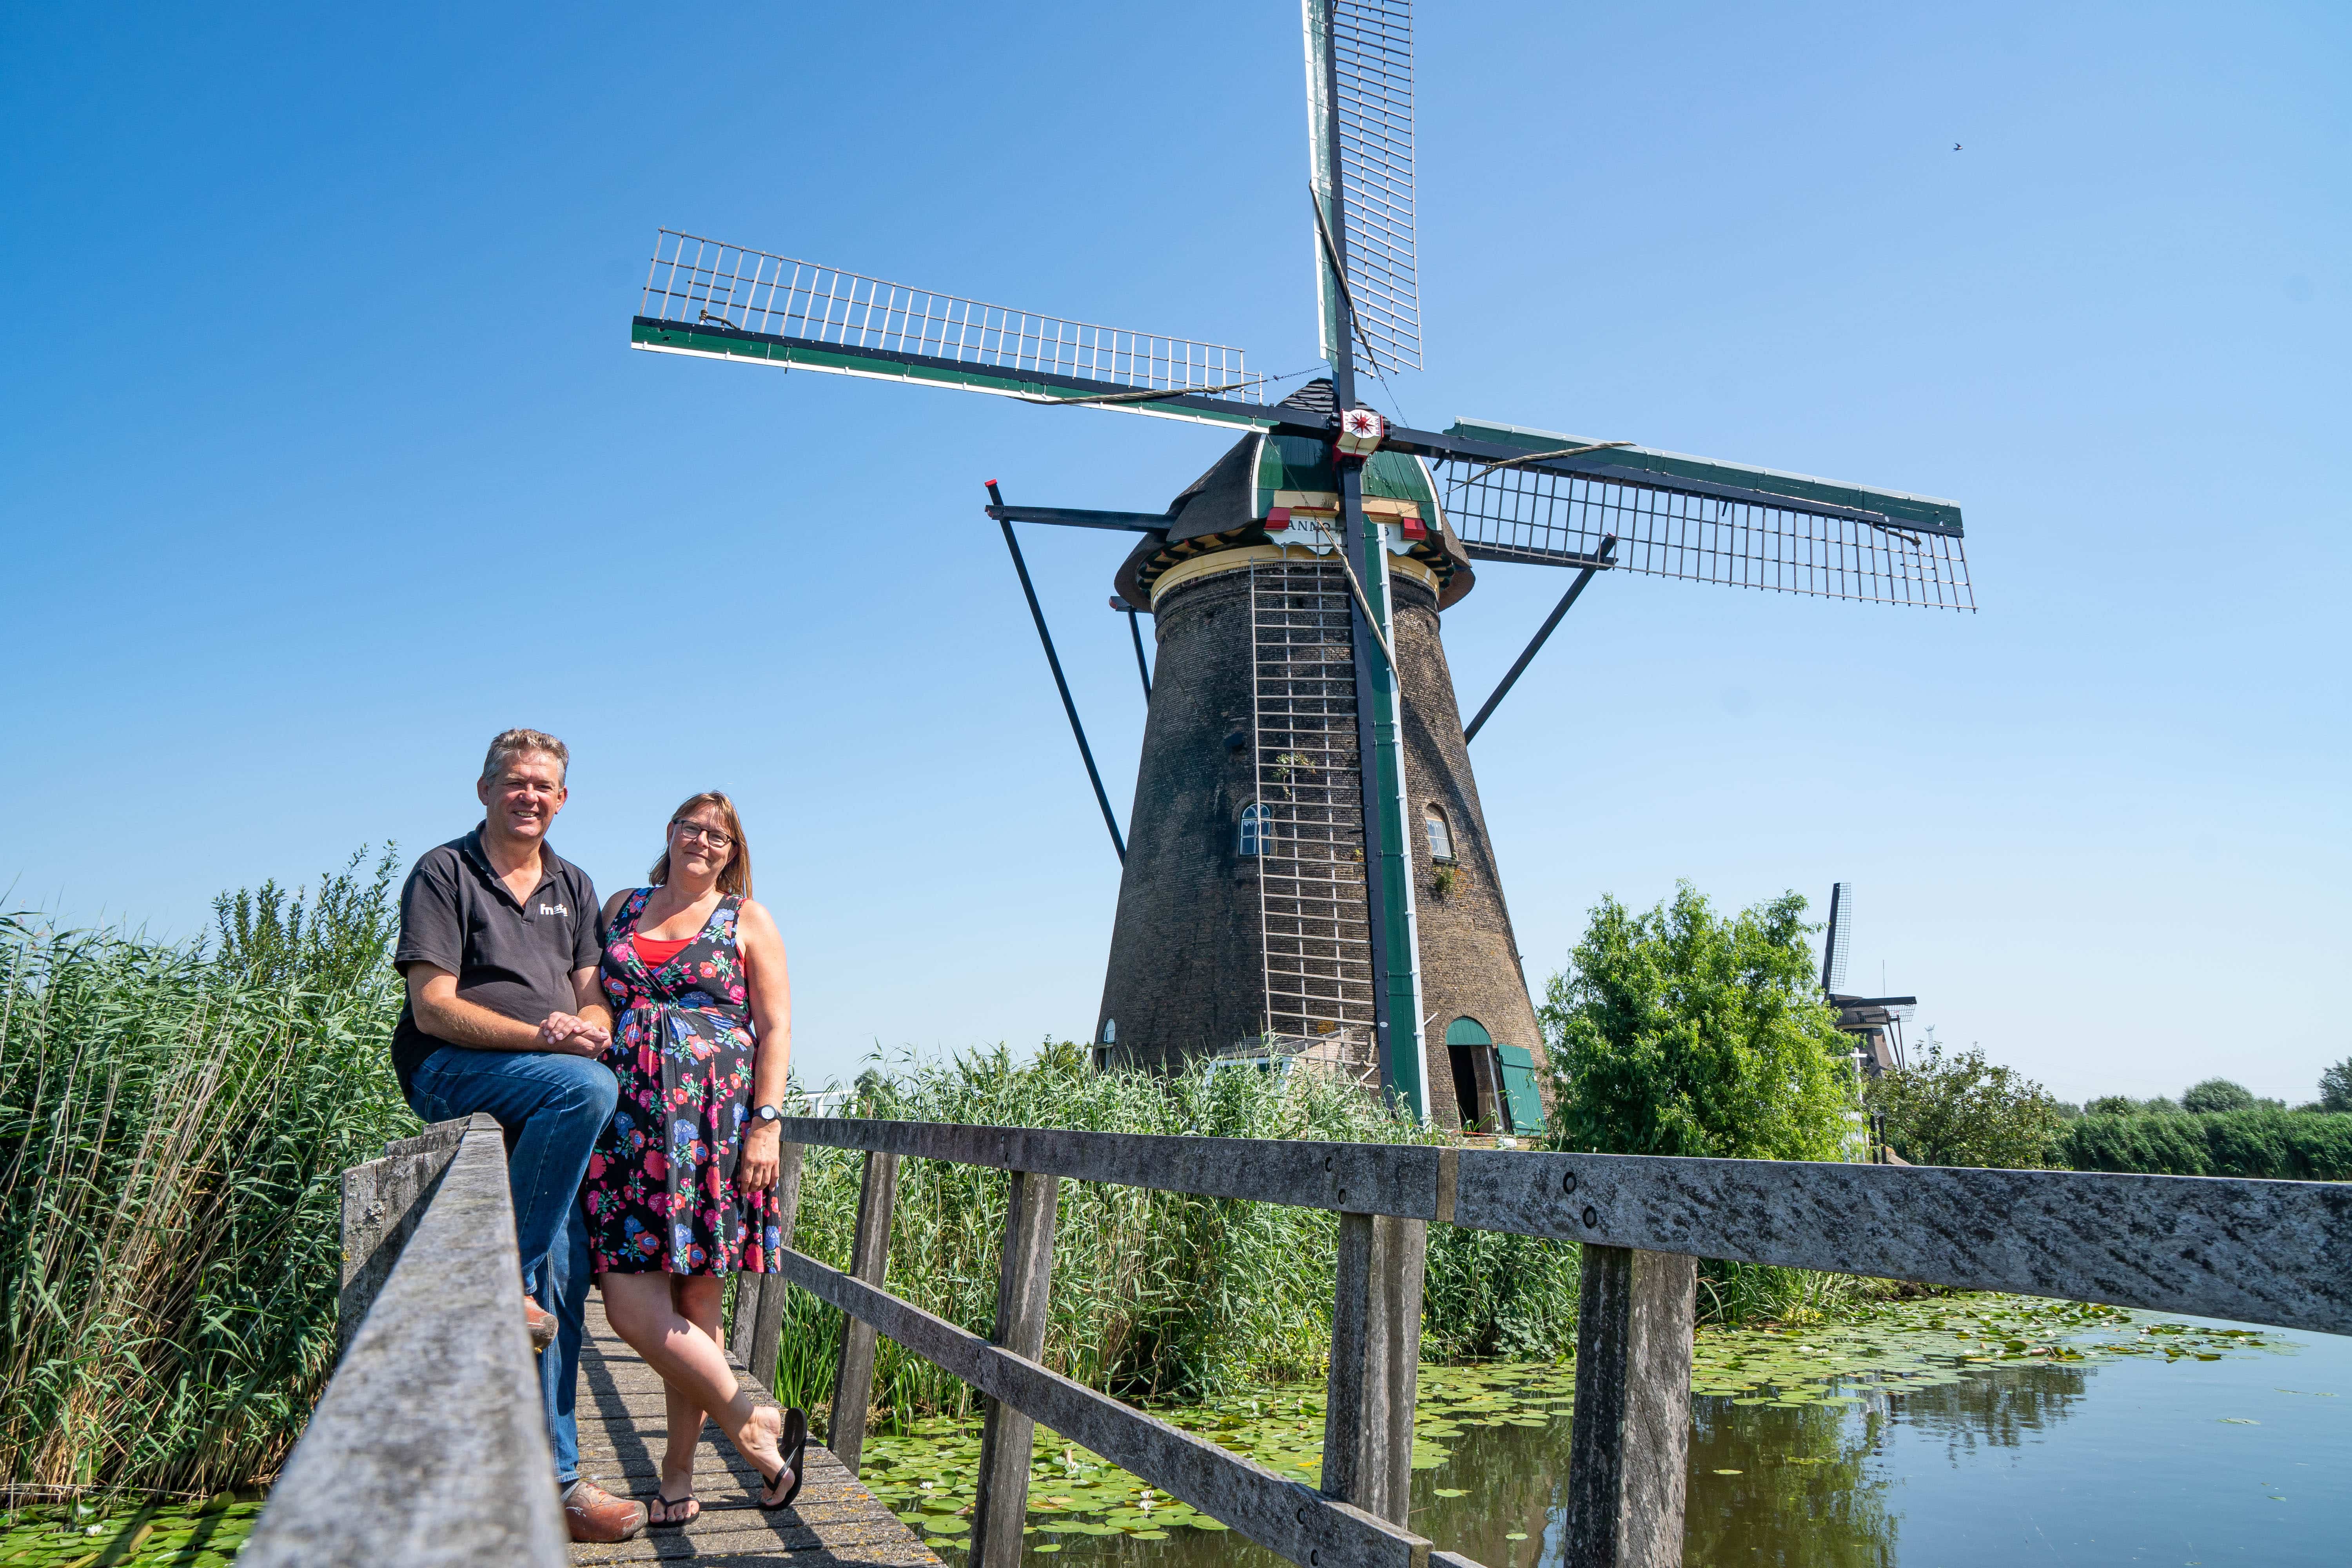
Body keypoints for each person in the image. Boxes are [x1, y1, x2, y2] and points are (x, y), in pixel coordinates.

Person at [390, 729, 648, 1544]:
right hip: (453, 1069)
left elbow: (594, 995)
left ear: (562, 799)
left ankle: (557, 1482)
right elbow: (433, 1005)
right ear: (484, 788)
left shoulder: (574, 883)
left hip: (548, 1091)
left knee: (566, 1279)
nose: (529, 795)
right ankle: (512, 1279)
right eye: (515, 782)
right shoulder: (445, 871)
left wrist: (592, 1026)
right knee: (589, 1088)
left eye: (544, 785)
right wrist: (548, 1042)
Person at [585, 790, 804, 1527]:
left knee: (697, 1303)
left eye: (719, 835)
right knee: (628, 1305)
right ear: (670, 832)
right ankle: (753, 1423)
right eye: (692, 827)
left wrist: (765, 1128)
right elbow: (593, 1001)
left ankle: (677, 1475)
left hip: (711, 1132)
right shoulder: (621, 905)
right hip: (625, 1132)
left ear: (733, 852)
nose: (703, 841)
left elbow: (775, 1027)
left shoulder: (747, 919)